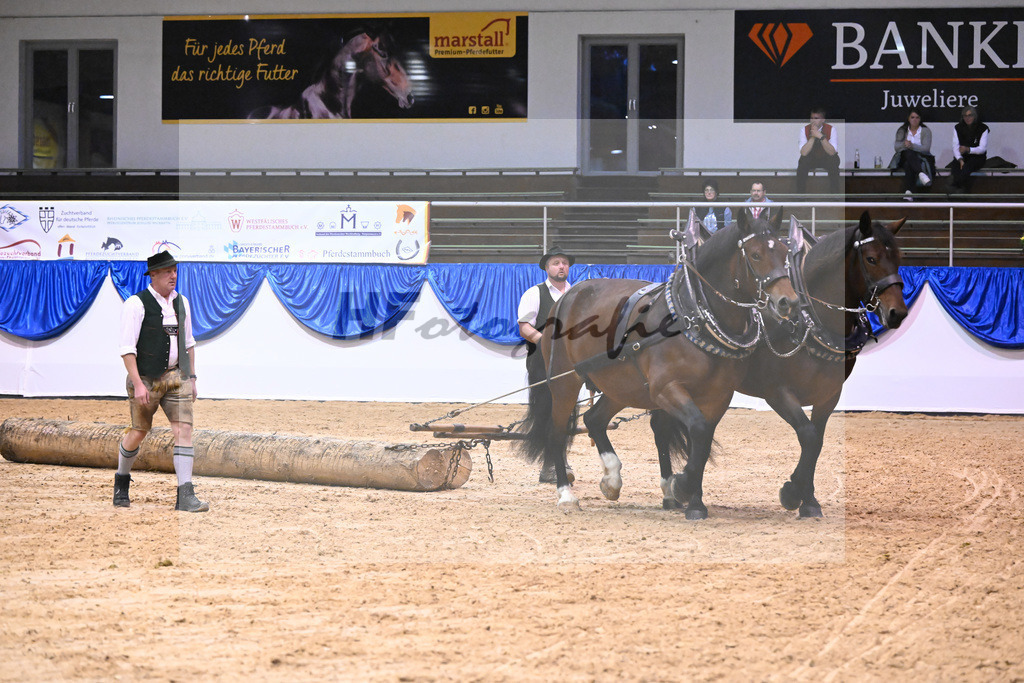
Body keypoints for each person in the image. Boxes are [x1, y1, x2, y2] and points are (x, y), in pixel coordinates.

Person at [113, 251, 208, 512]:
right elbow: (127, 349)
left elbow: (189, 343)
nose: (173, 275)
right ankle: (121, 480)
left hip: (176, 377)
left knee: (184, 430)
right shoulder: (136, 304)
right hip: (145, 378)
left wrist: (192, 377)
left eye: (175, 270)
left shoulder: (182, 303)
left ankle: (185, 495)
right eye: (167, 271)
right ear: (153, 275)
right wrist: (138, 384)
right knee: (138, 432)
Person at [518, 246, 574, 484]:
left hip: (571, 363)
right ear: (547, 268)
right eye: (556, 263)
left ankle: (561, 459)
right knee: (545, 409)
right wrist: (546, 342)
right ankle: (548, 463)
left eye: (564, 263)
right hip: (542, 361)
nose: (561, 266)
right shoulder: (535, 293)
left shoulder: (576, 294)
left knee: (569, 411)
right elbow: (525, 327)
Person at [889, 107, 934, 200]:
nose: (915, 120)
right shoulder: (902, 130)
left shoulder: (925, 131)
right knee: (908, 153)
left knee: (908, 163)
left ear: (920, 119)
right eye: (912, 117)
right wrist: (905, 145)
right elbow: (897, 147)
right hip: (904, 156)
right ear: (908, 118)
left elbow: (926, 148)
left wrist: (912, 145)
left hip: (921, 158)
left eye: (917, 117)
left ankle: (909, 191)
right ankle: (921, 173)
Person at [796, 107, 841, 195]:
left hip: (826, 158)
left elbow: (832, 152)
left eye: (816, 118)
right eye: (811, 118)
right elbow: (804, 152)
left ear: (823, 120)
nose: (813, 121)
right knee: (802, 162)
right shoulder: (804, 130)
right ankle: (800, 196)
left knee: (834, 161)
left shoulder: (831, 129)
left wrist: (820, 136)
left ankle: (835, 196)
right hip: (811, 158)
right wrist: (813, 136)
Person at [948, 105, 989, 195]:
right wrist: (959, 159)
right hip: (963, 156)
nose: (967, 118)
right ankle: (955, 190)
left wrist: (968, 149)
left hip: (977, 157)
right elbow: (955, 146)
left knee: (967, 168)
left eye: (970, 115)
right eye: (965, 116)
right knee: (955, 166)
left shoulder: (983, 128)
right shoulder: (958, 127)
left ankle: (958, 188)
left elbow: (982, 149)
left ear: (974, 116)